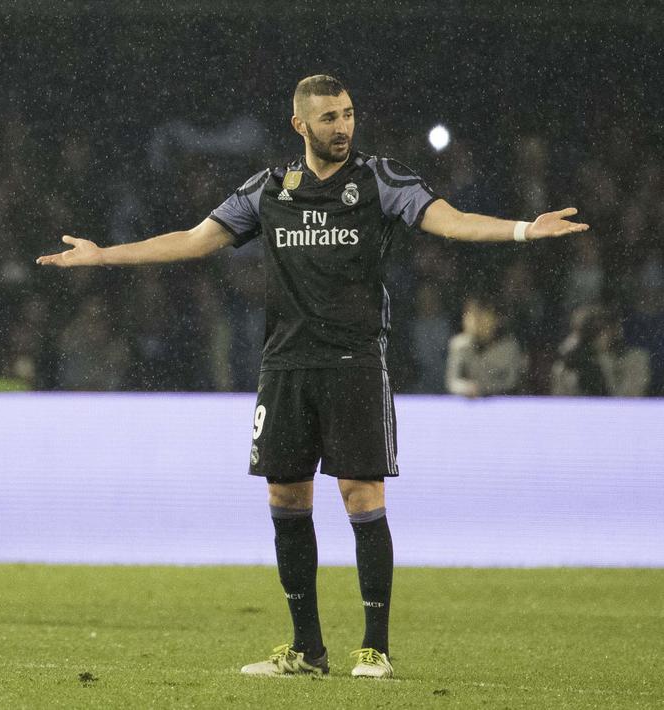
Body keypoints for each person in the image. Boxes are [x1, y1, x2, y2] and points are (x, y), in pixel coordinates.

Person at [37, 74, 588, 679]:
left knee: (361, 495)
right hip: (286, 365)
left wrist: (521, 230)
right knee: (286, 497)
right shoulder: (269, 189)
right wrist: (102, 256)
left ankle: (374, 647)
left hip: (354, 362)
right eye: (329, 118)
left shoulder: (380, 179)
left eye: (348, 114)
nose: (343, 127)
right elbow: (195, 241)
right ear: (300, 125)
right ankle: (307, 650)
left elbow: (449, 220)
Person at [445, 296, 525, 397]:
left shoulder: (509, 347)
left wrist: (484, 388)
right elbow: (452, 381)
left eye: (482, 314)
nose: (475, 321)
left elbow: (512, 382)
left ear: (496, 319)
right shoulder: (459, 345)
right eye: (470, 315)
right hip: (470, 405)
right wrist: (465, 387)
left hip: (502, 403)